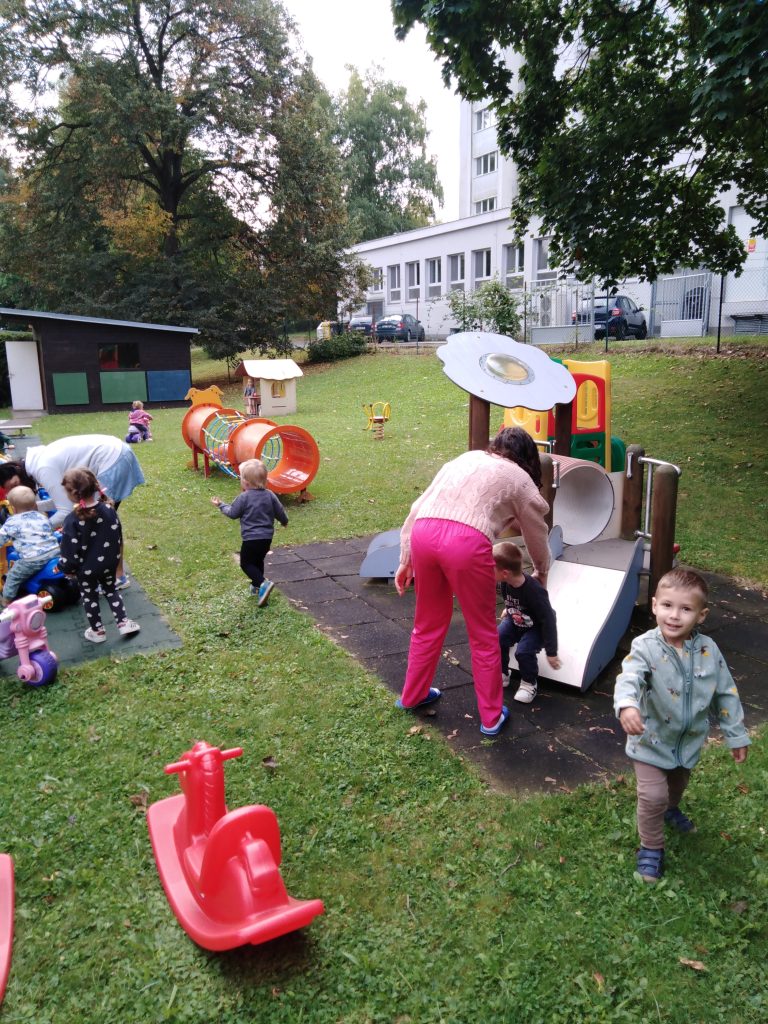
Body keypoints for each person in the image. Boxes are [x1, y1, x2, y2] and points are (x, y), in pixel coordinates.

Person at [394, 426, 551, 738]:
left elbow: (417, 506)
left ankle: (412, 696)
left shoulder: (465, 459)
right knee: (482, 633)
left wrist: (405, 557)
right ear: (528, 458)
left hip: (424, 532)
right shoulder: (520, 479)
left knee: (427, 623)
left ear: (496, 446)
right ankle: (491, 717)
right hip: (465, 542)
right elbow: (537, 530)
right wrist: (541, 571)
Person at [614, 568, 750, 884]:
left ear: (701, 615)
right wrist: (627, 705)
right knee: (653, 796)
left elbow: (725, 693)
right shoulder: (645, 646)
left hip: (687, 743)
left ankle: (671, 809)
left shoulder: (708, 651)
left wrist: (736, 734)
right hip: (649, 741)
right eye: (667, 605)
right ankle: (651, 848)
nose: (674, 616)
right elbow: (629, 677)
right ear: (654, 605)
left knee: (675, 787)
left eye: (685, 609)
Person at [0, 435, 144, 587]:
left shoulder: (43, 468)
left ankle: (116, 576)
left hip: (112, 458)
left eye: (15, 484)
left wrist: (36, 531)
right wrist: (33, 506)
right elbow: (63, 502)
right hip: (116, 451)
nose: (19, 488)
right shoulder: (36, 462)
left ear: (17, 470)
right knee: (103, 524)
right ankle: (112, 575)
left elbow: (65, 510)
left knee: (102, 526)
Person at [56, 468, 140, 643]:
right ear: (95, 486)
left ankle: (97, 631)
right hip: (109, 564)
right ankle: (123, 622)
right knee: (111, 589)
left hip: (85, 570)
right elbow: (117, 536)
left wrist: (66, 568)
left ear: (72, 494)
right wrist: (115, 560)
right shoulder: (109, 509)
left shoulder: (72, 520)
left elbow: (69, 551)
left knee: (90, 597)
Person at [211, 458, 288, 607]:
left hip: (251, 539)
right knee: (257, 561)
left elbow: (233, 513)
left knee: (246, 563)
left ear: (245, 483)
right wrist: (284, 521)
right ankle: (257, 587)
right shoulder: (270, 495)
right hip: (266, 538)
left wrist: (221, 505)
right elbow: (279, 511)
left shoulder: (244, 497)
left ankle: (263, 583)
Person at [493, 541, 561, 704]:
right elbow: (513, 599)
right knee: (497, 638)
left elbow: (548, 620)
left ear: (505, 573)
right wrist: (508, 609)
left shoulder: (534, 591)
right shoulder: (505, 583)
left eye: (490, 568)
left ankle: (529, 683)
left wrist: (551, 652)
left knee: (523, 652)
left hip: (536, 627)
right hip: (516, 619)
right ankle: (503, 673)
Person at [0, 486, 60, 604]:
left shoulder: (12, 522)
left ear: (13, 508)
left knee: (13, 576)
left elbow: (1, 538)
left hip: (33, 559)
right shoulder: (41, 516)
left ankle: (7, 600)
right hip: (55, 552)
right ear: (34, 504)